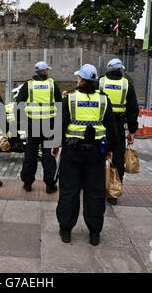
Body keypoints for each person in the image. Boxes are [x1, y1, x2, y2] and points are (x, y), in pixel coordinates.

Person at [56, 64, 118, 246]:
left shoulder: (70, 98)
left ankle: (66, 229)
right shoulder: (104, 100)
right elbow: (111, 128)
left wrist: (55, 146)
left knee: (69, 191)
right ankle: (94, 233)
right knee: (95, 193)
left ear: (81, 80)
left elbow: (61, 124)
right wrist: (110, 150)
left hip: (72, 152)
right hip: (96, 154)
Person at [16, 61, 62, 194]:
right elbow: (60, 105)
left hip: (32, 125)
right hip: (49, 124)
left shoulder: (28, 85)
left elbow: (18, 104)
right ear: (45, 71)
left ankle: (28, 183)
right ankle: (50, 185)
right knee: (48, 155)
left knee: (30, 154)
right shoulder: (52, 85)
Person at [99, 58, 139, 205]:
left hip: (101, 125)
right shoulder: (126, 84)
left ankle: (96, 187)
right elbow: (133, 110)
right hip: (117, 127)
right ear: (120, 69)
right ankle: (113, 193)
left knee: (99, 156)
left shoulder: (100, 82)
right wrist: (132, 131)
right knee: (117, 159)